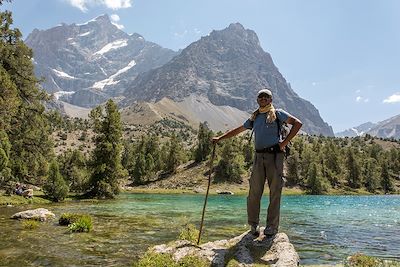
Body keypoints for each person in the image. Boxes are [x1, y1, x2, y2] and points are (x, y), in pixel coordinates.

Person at [212, 88, 302, 238]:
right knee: (254, 192)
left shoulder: (278, 113)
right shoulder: (254, 117)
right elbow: (238, 130)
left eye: (266, 97)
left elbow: (297, 124)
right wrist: (220, 138)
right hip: (258, 157)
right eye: (261, 97)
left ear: (271, 100)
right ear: (257, 100)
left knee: (275, 192)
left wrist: (284, 143)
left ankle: (271, 227)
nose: (263, 99)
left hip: (275, 157)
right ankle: (254, 225)